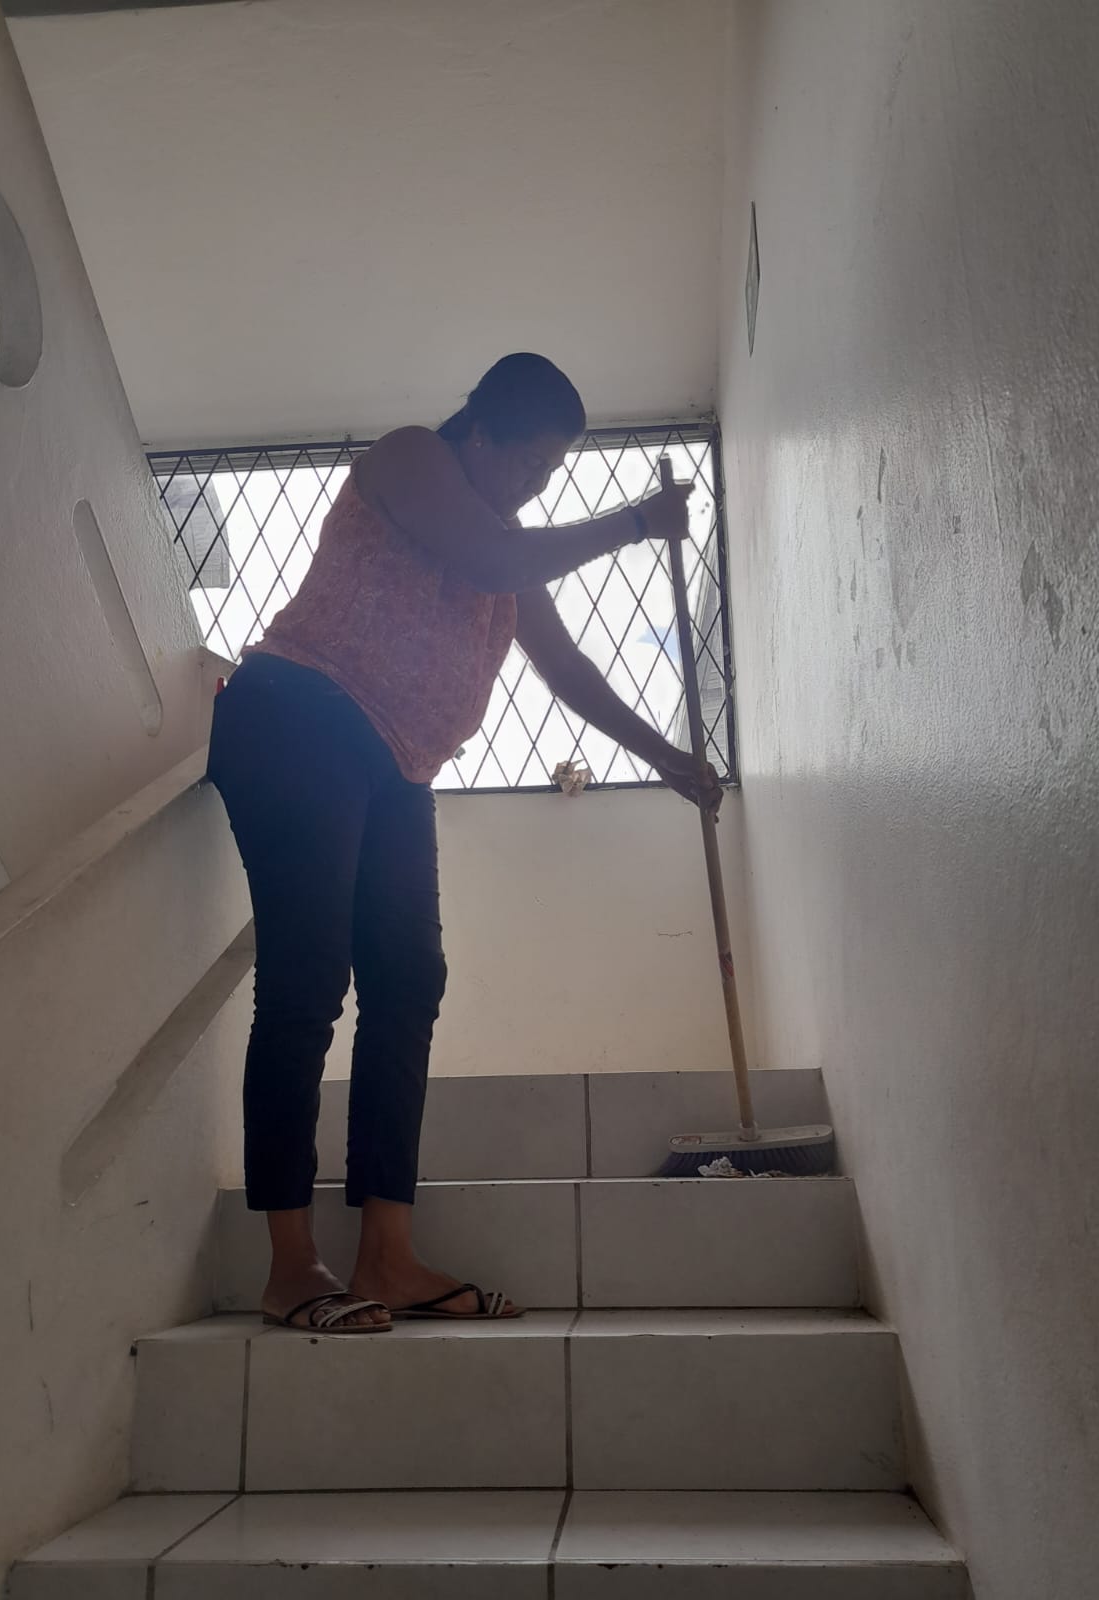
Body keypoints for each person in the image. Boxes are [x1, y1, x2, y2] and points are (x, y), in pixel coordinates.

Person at [207, 352, 722, 1334]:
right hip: (297, 715)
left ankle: (387, 1255)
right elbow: (491, 563)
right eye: (531, 464)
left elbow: (565, 667)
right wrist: (633, 523)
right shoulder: (411, 460)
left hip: (396, 762)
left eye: (551, 473)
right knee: (308, 983)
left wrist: (668, 758)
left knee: (409, 982)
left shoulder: (504, 545)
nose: (536, 487)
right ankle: (291, 1265)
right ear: (479, 431)